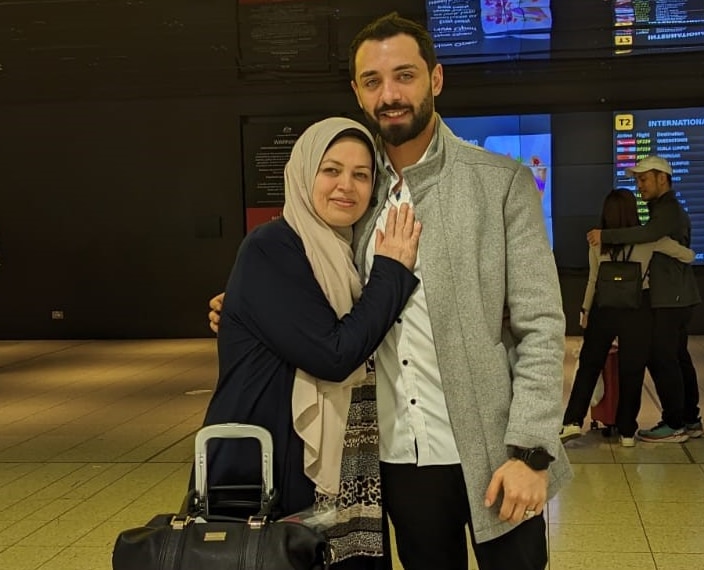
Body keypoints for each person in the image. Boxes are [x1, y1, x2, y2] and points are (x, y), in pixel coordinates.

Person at [212, 12, 572, 570]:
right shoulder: (354, 197)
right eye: (373, 82)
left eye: (404, 76)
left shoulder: (499, 183)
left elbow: (542, 326)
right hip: (399, 455)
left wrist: (531, 450)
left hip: (494, 450)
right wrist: (242, 306)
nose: (390, 95)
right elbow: (313, 286)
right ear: (357, 92)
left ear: (436, 79)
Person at [201, 117, 421, 569]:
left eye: (362, 175)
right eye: (331, 170)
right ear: (303, 173)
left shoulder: (342, 254)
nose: (347, 186)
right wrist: (393, 272)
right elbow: (333, 354)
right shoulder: (272, 247)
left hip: (343, 464)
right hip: (270, 467)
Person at [561, 189, 695, 447]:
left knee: (589, 366)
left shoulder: (597, 240)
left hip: (604, 307)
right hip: (638, 308)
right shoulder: (650, 239)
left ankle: (572, 422)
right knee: (631, 371)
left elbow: (592, 280)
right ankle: (626, 432)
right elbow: (687, 255)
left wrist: (585, 310)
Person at [587, 155, 703, 443]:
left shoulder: (668, 211)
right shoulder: (662, 209)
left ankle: (675, 422)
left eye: (644, 179)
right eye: (637, 180)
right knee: (677, 357)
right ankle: (690, 419)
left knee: (663, 358)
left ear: (662, 178)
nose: (639, 185)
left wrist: (606, 235)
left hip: (671, 298)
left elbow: (648, 234)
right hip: (677, 296)